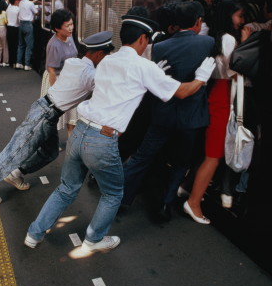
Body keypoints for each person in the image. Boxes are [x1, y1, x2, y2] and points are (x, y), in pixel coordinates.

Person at [25, 14, 216, 252]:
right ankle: (94, 240)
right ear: (143, 39)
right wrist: (201, 78)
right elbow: (182, 92)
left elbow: (123, 84)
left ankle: (34, 233)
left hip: (81, 131)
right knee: (114, 193)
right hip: (101, 140)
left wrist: (152, 72)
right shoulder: (143, 67)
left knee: (66, 188)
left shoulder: (107, 61)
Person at [0, 31, 114, 205]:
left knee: (50, 151)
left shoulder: (73, 62)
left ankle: (15, 173)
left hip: (46, 110)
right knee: (15, 151)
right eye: (106, 55)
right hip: (45, 114)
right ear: (99, 54)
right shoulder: (90, 76)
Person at [120, 1, 215, 222]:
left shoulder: (160, 47)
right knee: (181, 163)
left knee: (143, 157)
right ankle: (165, 204)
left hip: (162, 115)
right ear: (198, 22)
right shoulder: (208, 42)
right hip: (191, 118)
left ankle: (121, 198)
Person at [181, 0, 251, 221]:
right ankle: (193, 203)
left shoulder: (213, 35)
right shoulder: (230, 39)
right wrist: (246, 43)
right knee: (214, 155)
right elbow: (236, 70)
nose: (241, 20)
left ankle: (186, 187)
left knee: (206, 150)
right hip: (223, 95)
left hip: (213, 93)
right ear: (229, 15)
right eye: (239, 15)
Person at [39, 9, 78, 134]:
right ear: (57, 28)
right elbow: (51, 70)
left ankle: (71, 141)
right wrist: (55, 92)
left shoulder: (69, 37)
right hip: (56, 78)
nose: (71, 28)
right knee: (53, 115)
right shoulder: (54, 44)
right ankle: (49, 143)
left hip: (69, 78)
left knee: (72, 114)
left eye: (72, 24)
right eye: (67, 26)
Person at [16, 0, 38, 70]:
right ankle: (27, 64)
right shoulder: (30, 3)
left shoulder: (20, 3)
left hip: (21, 25)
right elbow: (36, 12)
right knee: (29, 45)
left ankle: (18, 63)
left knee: (21, 45)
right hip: (28, 25)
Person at [6, 0, 20, 68]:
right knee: (16, 45)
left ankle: (11, 62)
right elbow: (19, 20)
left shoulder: (8, 9)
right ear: (15, 1)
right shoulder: (17, 9)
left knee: (10, 46)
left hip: (8, 28)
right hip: (15, 28)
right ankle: (15, 61)